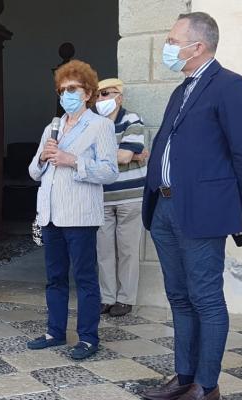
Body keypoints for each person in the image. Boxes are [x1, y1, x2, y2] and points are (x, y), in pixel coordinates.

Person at [140, 12, 242, 400]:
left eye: (173, 40)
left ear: (198, 46)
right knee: (179, 296)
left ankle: (206, 385)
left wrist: (233, 208)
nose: (167, 47)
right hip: (164, 207)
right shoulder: (182, 90)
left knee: (206, 298)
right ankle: (184, 375)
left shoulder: (230, 86)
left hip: (203, 211)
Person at [26, 60, 119, 360]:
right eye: (62, 89)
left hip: (79, 216)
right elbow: (33, 172)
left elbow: (109, 171)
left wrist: (73, 161)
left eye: (73, 89)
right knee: (54, 277)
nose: (66, 94)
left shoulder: (100, 126)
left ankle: (88, 338)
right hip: (51, 214)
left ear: (88, 93)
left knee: (85, 278)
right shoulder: (51, 127)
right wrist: (43, 158)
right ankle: (54, 331)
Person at [94, 78, 147, 318]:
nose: (101, 99)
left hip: (130, 197)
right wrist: (133, 155)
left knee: (128, 250)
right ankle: (106, 298)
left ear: (119, 97)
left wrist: (124, 155)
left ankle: (125, 299)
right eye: (98, 95)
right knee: (103, 251)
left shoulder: (131, 119)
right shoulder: (93, 123)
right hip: (101, 196)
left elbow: (124, 156)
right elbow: (80, 154)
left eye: (106, 93)